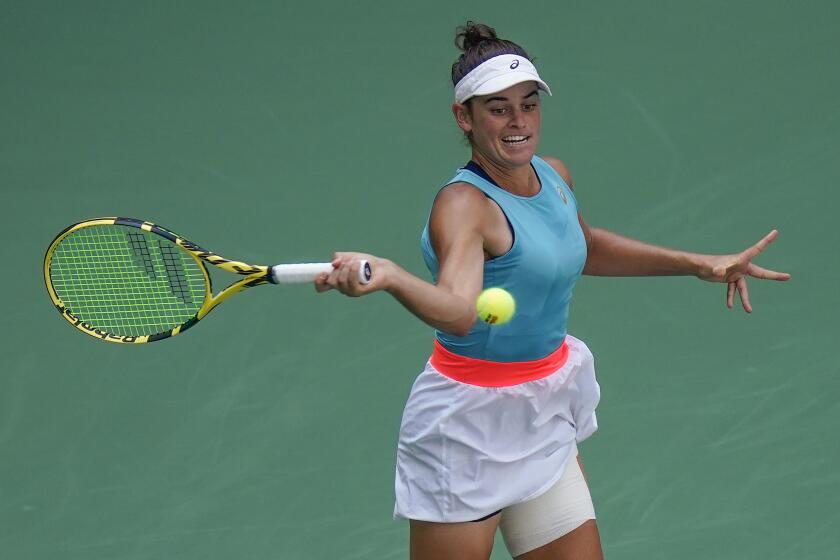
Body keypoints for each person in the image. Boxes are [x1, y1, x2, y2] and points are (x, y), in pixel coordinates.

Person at [315, 21, 790, 560]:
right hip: (467, 427)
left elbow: (583, 245)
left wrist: (699, 263)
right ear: (463, 118)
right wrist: (393, 276)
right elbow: (458, 312)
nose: (519, 121)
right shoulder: (464, 206)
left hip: (543, 409)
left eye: (528, 104)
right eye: (498, 108)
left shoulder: (553, 175)